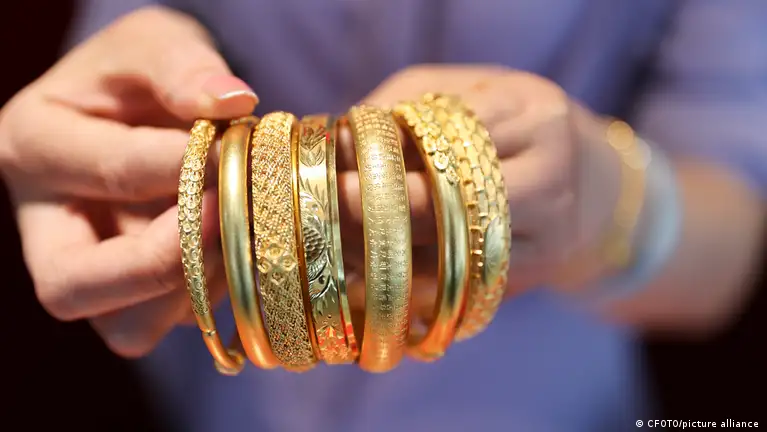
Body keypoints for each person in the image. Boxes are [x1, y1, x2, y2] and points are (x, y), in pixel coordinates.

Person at [1, 1, 765, 431]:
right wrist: (100, 111)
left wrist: (609, 201)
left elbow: (729, 236)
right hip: (228, 400)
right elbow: (134, 31)